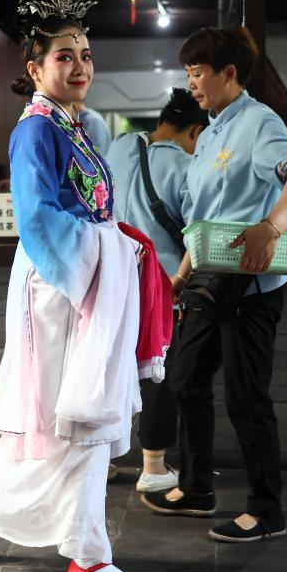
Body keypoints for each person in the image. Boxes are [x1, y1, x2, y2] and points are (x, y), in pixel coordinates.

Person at [0, 0, 155, 572]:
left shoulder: (80, 127)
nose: (81, 65)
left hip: (87, 285)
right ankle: (88, 561)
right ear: (35, 70)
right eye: (65, 56)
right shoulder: (36, 130)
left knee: (67, 429)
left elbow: (94, 211)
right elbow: (38, 219)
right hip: (60, 290)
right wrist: (106, 251)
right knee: (80, 420)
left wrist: (118, 244)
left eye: (86, 54)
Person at [140, 27, 287, 544]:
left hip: (250, 289)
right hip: (207, 280)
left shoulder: (260, 122)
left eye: (197, 73)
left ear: (228, 74)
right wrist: (180, 274)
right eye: (189, 73)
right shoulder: (212, 130)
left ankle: (267, 511)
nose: (191, 84)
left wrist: (272, 227)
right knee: (185, 379)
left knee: (246, 398)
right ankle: (197, 487)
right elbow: (204, 217)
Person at [106, 87, 207, 493]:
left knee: (108, 372)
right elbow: (197, 228)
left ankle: (101, 460)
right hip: (162, 289)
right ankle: (153, 467)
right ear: (195, 131)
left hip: (110, 280)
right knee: (156, 373)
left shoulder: (118, 149)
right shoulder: (184, 165)